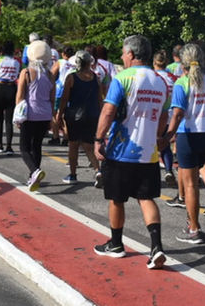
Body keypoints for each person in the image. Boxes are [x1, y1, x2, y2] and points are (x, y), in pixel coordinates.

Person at [93, 35, 169, 270]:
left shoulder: (123, 78)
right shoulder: (160, 81)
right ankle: (156, 247)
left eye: (124, 53)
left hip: (121, 149)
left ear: (132, 54)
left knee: (117, 198)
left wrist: (98, 139)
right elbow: (164, 116)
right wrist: (157, 137)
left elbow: (108, 111)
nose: (122, 57)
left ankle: (116, 244)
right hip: (148, 151)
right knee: (146, 198)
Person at [159, 43, 205, 245]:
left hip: (188, 135)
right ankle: (193, 223)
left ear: (182, 61)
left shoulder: (182, 83)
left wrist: (167, 136)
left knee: (190, 185)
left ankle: (194, 228)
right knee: (196, 175)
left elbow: (178, 114)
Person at [57, 50, 103, 186]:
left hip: (74, 116)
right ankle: (98, 170)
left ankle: (73, 174)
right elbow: (100, 99)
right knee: (89, 145)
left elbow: (64, 99)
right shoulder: (96, 78)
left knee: (73, 145)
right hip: (92, 115)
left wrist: (59, 115)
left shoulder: (71, 78)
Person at [16, 40, 55, 191]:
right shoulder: (51, 75)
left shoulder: (26, 72)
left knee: (24, 148)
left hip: (30, 113)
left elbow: (20, 96)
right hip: (45, 113)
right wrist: (52, 116)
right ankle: (34, 176)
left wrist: (18, 116)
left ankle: (35, 171)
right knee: (37, 145)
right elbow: (52, 98)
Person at [153, 50, 178, 187]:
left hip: (155, 114)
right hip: (170, 116)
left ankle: (150, 174)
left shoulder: (152, 77)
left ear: (154, 62)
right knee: (165, 145)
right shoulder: (174, 78)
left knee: (149, 145)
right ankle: (168, 170)